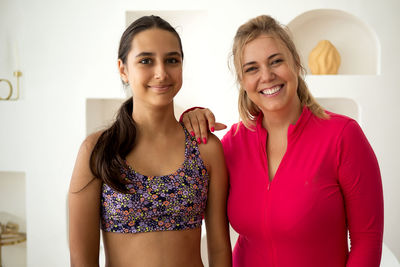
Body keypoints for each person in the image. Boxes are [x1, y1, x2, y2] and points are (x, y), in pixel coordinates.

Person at [181, 15, 384, 267]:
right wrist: (189, 122)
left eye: (276, 61)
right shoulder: (232, 145)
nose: (266, 76)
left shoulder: (343, 136)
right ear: (243, 82)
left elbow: (367, 239)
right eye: (252, 68)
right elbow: (184, 202)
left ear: (296, 64)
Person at [68, 15, 231, 267]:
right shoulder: (98, 150)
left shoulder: (205, 148)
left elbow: (220, 250)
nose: (161, 72)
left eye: (172, 60)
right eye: (146, 60)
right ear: (123, 69)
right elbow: (82, 262)